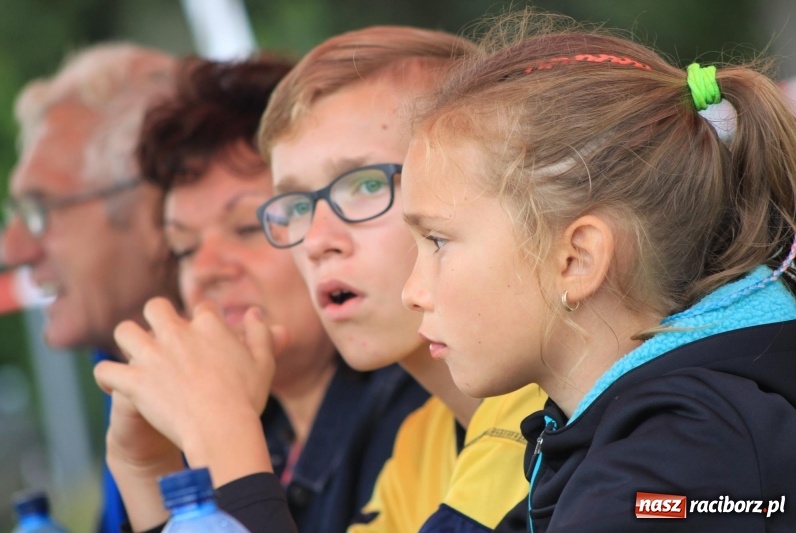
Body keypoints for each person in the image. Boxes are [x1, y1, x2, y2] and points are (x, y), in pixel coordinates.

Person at [96, 25, 544, 533]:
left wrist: (224, 437)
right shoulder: (424, 440)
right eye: (295, 207)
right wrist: (150, 471)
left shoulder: (551, 414)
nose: (315, 240)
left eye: (364, 185)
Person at [399, 12, 796, 532]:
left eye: (437, 241)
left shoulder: (677, 464)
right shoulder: (620, 437)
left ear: (577, 260)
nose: (412, 293)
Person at [104, 54, 427, 533]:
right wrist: (149, 470)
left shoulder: (423, 405)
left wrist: (222, 431)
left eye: (248, 227)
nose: (206, 272)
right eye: (184, 248)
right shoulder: (264, 431)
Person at [2, 44, 180, 533]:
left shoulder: (259, 394)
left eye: (42, 208)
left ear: (153, 209)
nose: (12, 249)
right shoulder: (120, 367)